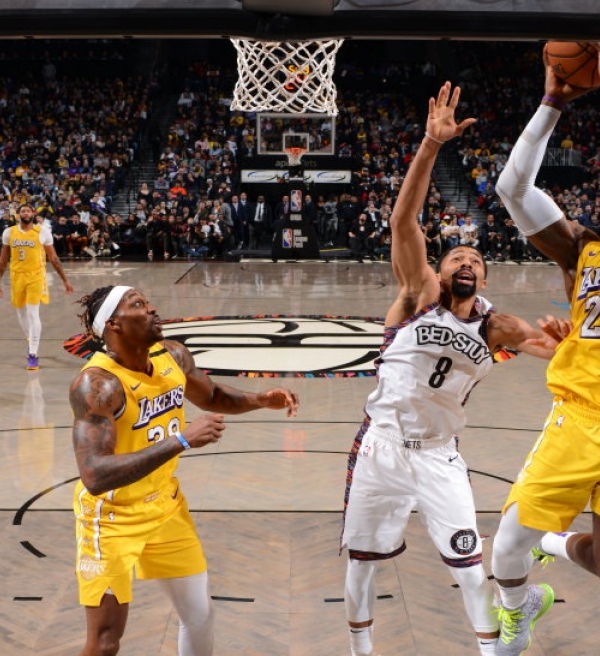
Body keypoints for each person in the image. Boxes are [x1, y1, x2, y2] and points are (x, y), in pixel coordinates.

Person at [340, 82, 562, 656]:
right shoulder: (417, 296)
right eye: (456, 256)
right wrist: (430, 145)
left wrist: (564, 341)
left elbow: (552, 349)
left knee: (468, 569)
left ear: (484, 278)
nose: (466, 260)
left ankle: (492, 650)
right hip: (381, 447)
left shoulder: (496, 325)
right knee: (362, 565)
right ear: (438, 271)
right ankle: (361, 651)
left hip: (440, 457)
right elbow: (403, 222)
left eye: (476, 259)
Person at [70, 284, 299, 655]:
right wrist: (181, 440)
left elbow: (211, 395)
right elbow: (94, 475)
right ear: (113, 324)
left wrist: (259, 399)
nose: (152, 308)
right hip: (111, 518)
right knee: (106, 642)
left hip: (165, 506)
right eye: (139, 304)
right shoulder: (98, 385)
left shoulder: (172, 354)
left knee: (200, 615)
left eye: (148, 300)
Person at [490, 46, 600, 655]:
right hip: (581, 416)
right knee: (506, 548)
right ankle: (518, 607)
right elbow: (513, 187)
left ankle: (553, 544)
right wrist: (552, 103)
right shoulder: (583, 246)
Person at [0, 202, 74, 370]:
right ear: (18, 215)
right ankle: (31, 338)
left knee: (33, 313)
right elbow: (3, 259)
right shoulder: (8, 232)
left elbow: (54, 258)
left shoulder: (43, 232)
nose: (26, 213)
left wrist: (65, 280)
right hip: (16, 276)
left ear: (33, 214)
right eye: (23, 211)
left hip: (36, 276)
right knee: (21, 314)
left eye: (28, 211)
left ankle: (33, 354)